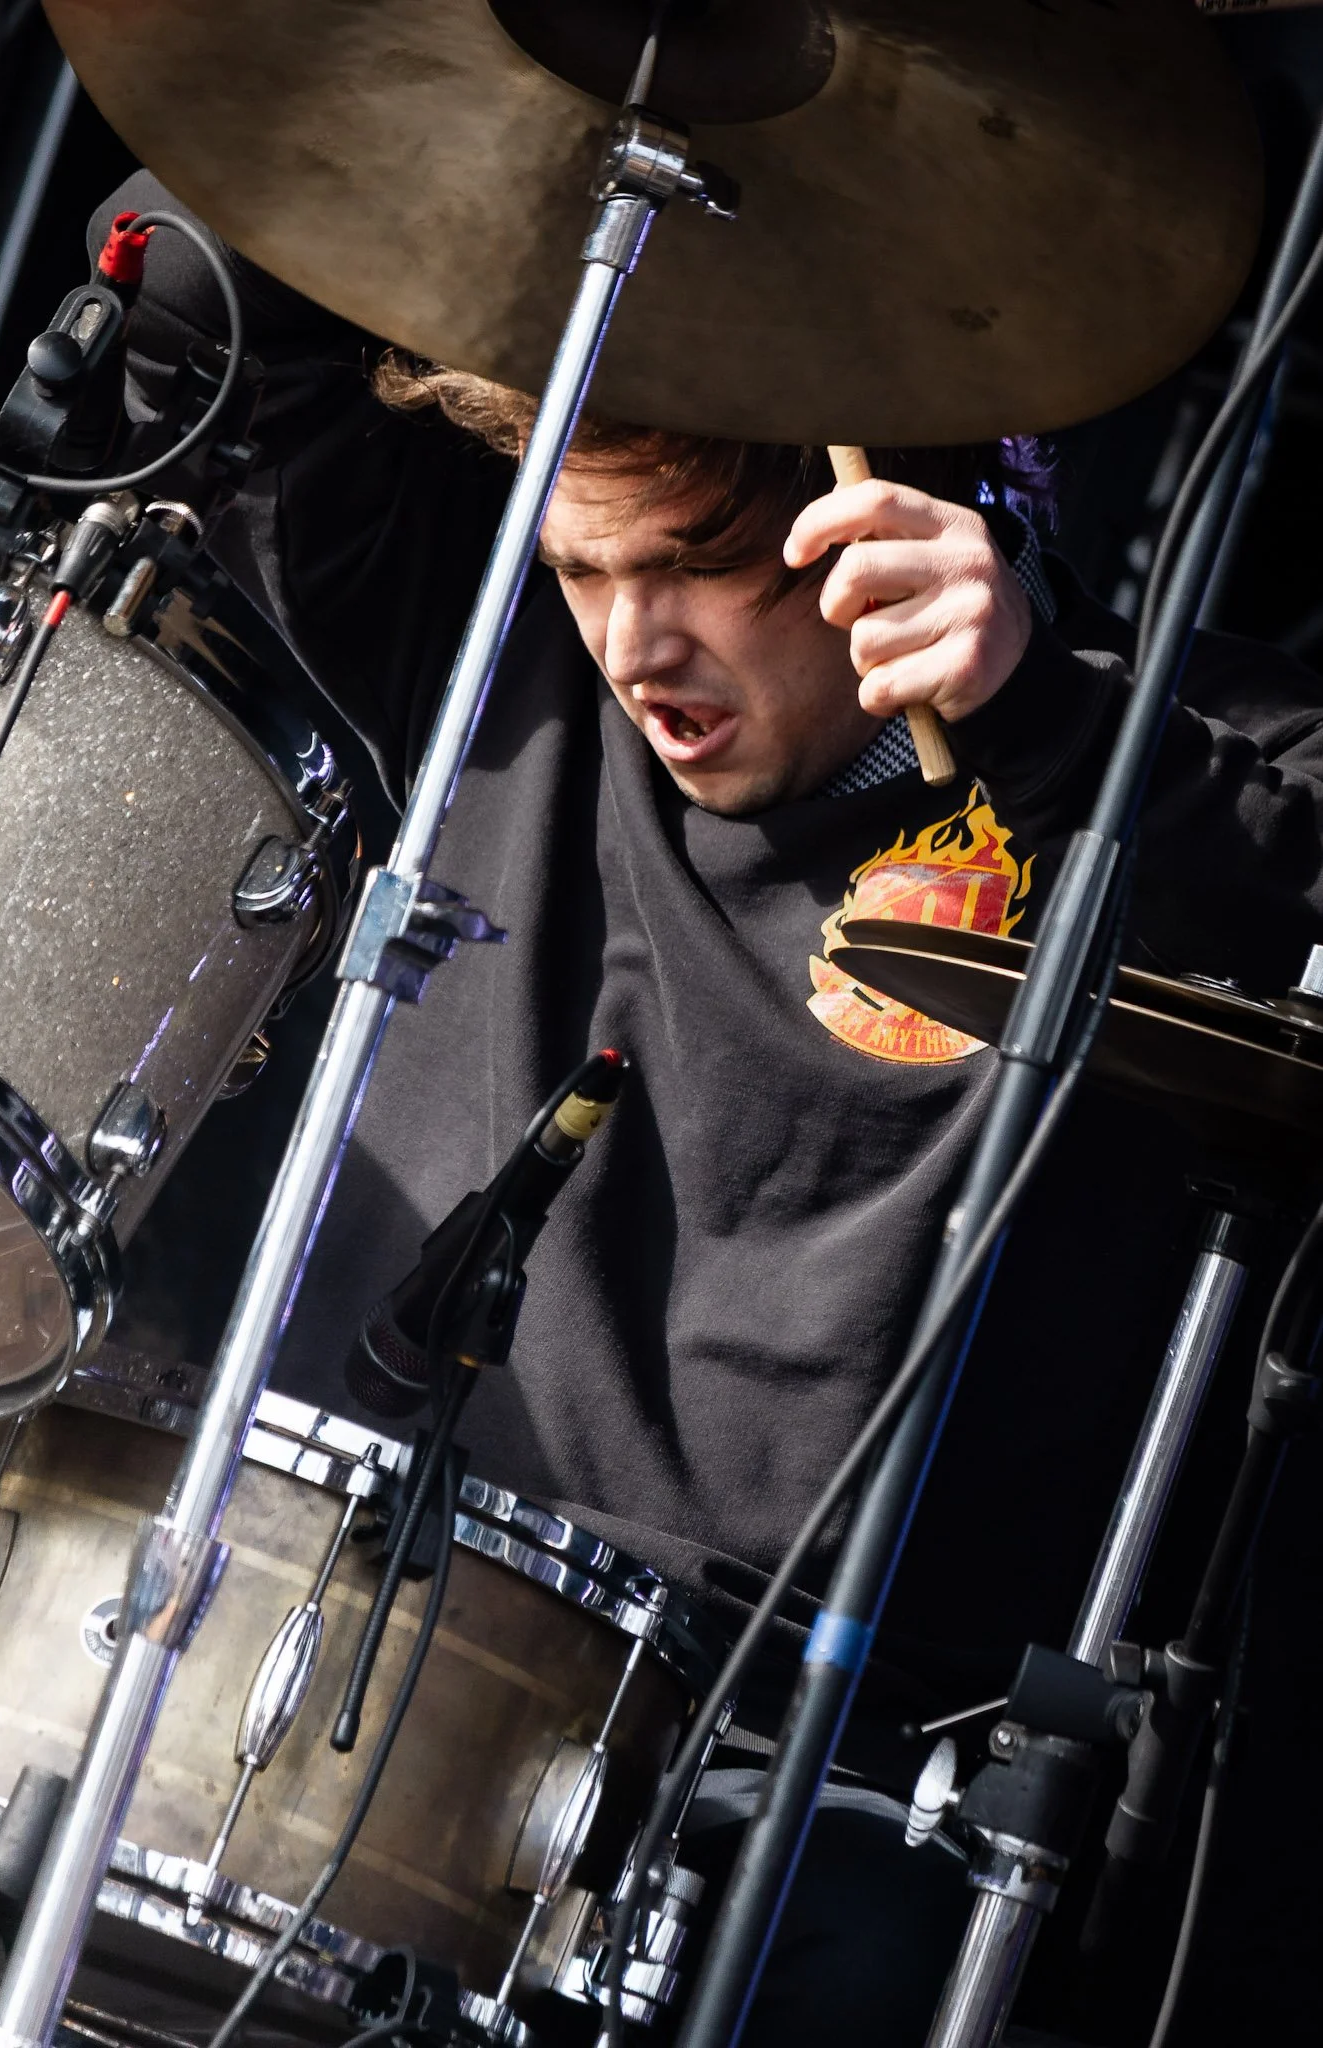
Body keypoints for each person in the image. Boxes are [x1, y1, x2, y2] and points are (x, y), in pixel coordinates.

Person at [90, 173, 1323, 2044]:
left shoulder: (1168, 755)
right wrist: (531, 132)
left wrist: (1045, 723)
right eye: (586, 571)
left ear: (893, 508)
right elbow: (191, 273)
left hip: (799, 1767)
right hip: (332, 1629)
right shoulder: (477, 648)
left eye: (699, 565)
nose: (632, 645)